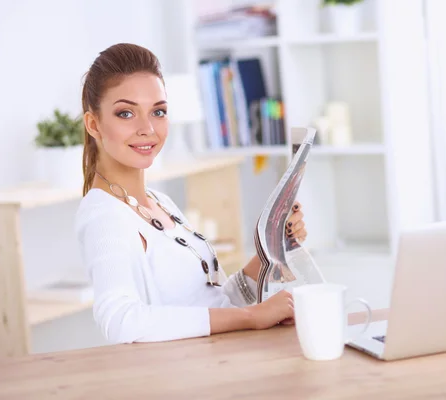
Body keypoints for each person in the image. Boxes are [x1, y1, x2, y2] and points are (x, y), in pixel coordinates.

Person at [75, 43, 309, 344]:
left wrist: (271, 250)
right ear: (93, 124)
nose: (147, 128)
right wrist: (252, 317)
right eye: (126, 113)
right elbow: (120, 321)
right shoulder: (104, 215)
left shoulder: (160, 202)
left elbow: (214, 303)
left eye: (158, 111)